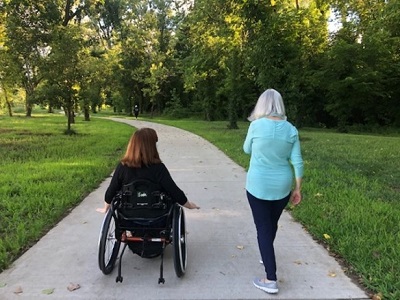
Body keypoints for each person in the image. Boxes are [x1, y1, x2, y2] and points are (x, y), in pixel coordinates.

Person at [243, 89, 304, 294]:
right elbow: (297, 161)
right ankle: (266, 252)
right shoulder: (291, 130)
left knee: (263, 228)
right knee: (271, 223)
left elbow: (247, 149)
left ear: (261, 105)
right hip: (282, 185)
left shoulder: (255, 126)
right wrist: (297, 189)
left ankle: (270, 279)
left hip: (258, 184)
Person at [96, 127, 199, 214]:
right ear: (152, 147)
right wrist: (188, 205)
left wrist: (106, 208)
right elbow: (174, 191)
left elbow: (111, 191)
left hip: (128, 215)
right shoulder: (159, 168)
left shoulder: (122, 167)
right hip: (156, 215)